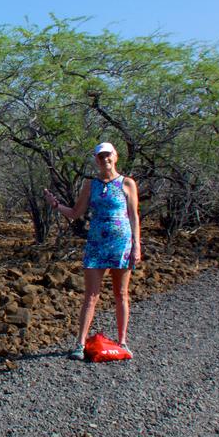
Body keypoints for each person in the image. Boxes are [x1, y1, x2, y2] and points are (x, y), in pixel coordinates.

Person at [43, 142, 141, 360]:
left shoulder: (127, 183)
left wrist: (137, 245)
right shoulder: (91, 185)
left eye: (108, 155)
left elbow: (134, 216)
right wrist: (56, 206)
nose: (105, 159)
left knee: (121, 294)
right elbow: (76, 213)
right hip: (96, 245)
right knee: (91, 295)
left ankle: (123, 341)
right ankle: (80, 344)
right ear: (96, 160)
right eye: (101, 156)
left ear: (115, 156)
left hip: (121, 245)